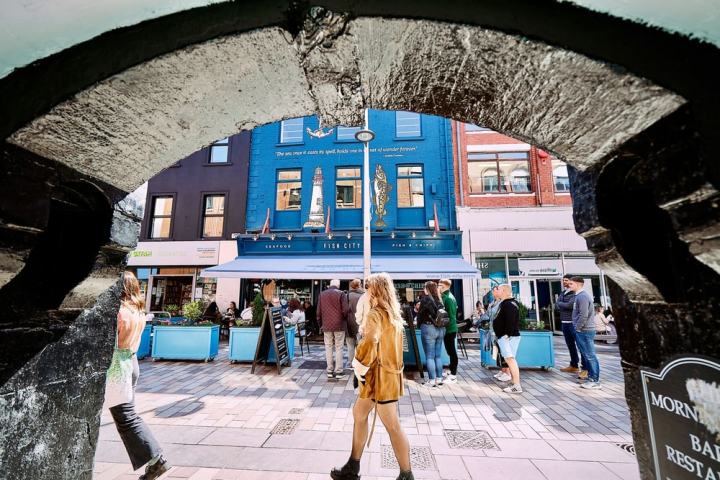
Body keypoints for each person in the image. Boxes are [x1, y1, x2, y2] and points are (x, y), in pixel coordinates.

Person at [331, 272, 413, 480]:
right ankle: (353, 465)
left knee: (393, 426)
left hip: (380, 379)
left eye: (369, 288)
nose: (366, 292)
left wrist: (359, 365)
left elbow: (370, 341)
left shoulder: (376, 313)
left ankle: (406, 474)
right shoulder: (393, 313)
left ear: (375, 290)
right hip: (384, 377)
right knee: (359, 413)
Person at [110, 272, 170, 479]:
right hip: (131, 362)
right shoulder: (137, 311)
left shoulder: (118, 311)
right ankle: (155, 460)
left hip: (117, 365)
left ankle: (156, 459)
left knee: (125, 416)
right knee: (126, 414)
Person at [569, 277, 601, 389]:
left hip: (585, 331)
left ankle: (595, 380)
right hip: (583, 330)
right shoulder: (579, 296)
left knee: (590, 356)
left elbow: (584, 315)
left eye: (571, 283)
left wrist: (577, 328)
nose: (569, 285)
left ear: (578, 284)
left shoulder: (582, 297)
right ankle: (591, 378)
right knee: (587, 355)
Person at [493, 284, 523, 394]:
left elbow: (510, 322)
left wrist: (506, 336)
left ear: (505, 291)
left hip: (507, 337)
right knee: (509, 360)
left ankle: (516, 385)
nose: (497, 291)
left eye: (499, 289)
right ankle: (515, 384)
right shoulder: (507, 303)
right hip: (507, 337)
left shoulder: (509, 304)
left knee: (510, 359)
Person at [317, 279, 349, 379]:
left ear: (329, 285)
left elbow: (318, 312)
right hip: (339, 324)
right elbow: (346, 310)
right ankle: (339, 371)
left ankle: (329, 370)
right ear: (338, 285)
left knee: (328, 346)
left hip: (326, 324)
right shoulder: (341, 294)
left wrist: (320, 324)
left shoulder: (322, 294)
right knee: (339, 347)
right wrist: (343, 319)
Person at [556, 274, 586, 377]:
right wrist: (562, 304)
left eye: (567, 280)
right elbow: (557, 304)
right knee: (570, 346)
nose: (565, 282)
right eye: (564, 280)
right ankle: (574, 365)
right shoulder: (564, 292)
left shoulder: (575, 293)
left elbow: (569, 305)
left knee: (581, 346)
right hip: (564, 322)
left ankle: (585, 368)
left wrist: (561, 304)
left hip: (573, 323)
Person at [416, 281, 446, 388]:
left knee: (429, 356)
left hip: (429, 329)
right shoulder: (439, 299)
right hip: (441, 329)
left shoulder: (425, 300)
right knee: (437, 356)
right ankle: (439, 379)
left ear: (427, 289)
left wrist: (419, 324)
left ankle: (432, 381)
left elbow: (420, 316)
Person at [438, 279, 459, 384]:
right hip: (448, 329)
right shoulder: (446, 297)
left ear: (445, 286)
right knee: (450, 351)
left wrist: (444, 328)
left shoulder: (449, 298)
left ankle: (454, 375)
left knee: (452, 352)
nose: (438, 287)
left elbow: (450, 317)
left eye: (440, 285)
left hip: (450, 329)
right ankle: (451, 371)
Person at [346, 279, 364, 362]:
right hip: (361, 323)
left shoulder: (347, 296)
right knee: (360, 344)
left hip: (349, 323)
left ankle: (351, 362)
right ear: (359, 285)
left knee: (350, 345)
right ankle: (360, 362)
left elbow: (344, 310)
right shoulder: (363, 295)